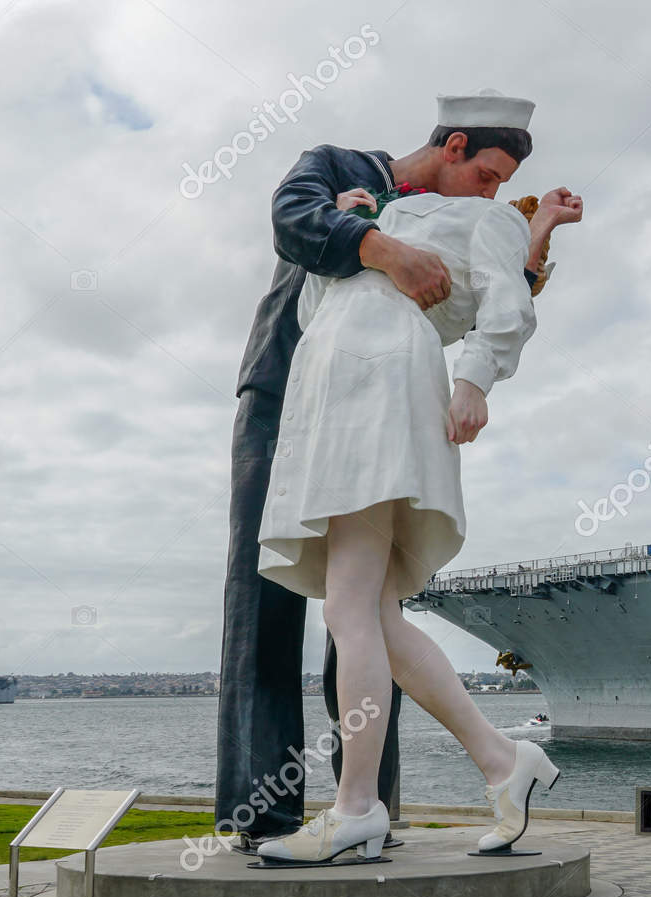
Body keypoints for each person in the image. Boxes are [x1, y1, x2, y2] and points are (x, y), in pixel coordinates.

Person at [215, 90, 577, 849]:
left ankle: (359, 808)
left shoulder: (478, 217)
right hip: (296, 387)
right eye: (486, 173)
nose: (492, 191)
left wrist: (477, 372)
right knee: (321, 610)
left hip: (371, 391)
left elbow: (492, 294)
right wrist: (369, 232)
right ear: (451, 148)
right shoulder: (342, 174)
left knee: (350, 610)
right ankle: (499, 759)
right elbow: (297, 231)